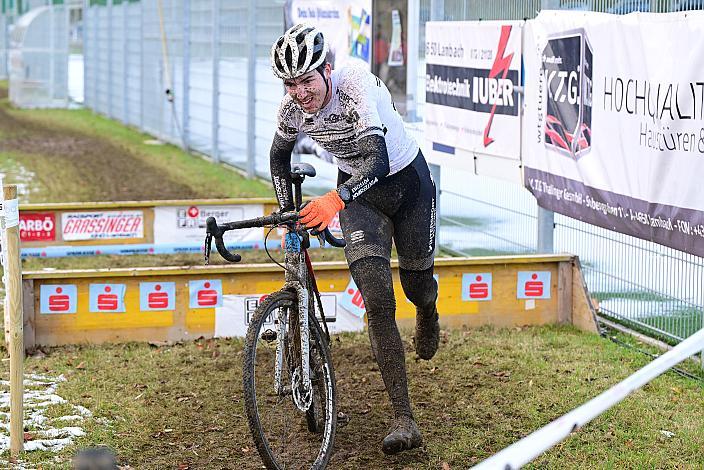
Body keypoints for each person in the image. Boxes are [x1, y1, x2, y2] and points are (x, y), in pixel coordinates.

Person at [269, 23, 439, 455]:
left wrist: (333, 200)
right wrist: (289, 212)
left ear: (327, 70)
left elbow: (377, 162)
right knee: (378, 301)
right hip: (360, 198)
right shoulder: (292, 108)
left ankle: (428, 308)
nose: (300, 93)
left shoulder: (355, 84)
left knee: (416, 285)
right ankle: (404, 418)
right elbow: (278, 157)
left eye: (307, 80)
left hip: (406, 185)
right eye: (291, 84)